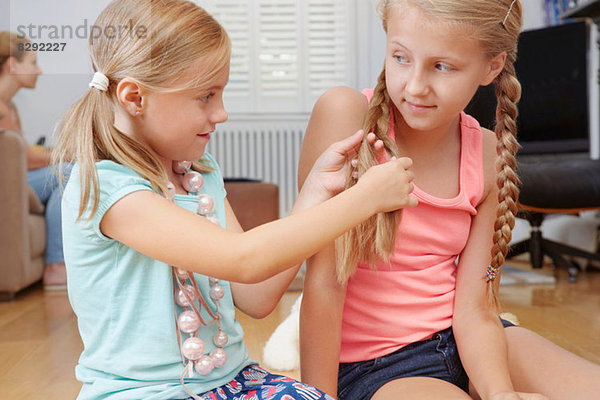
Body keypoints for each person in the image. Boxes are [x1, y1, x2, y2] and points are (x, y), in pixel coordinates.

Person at [52, 1, 416, 399]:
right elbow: (243, 259)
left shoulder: (198, 172)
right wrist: (362, 201)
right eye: (206, 96)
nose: (222, 113)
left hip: (234, 382)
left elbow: (255, 295)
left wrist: (315, 193)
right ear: (135, 98)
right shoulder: (107, 188)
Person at [298, 1, 600, 399]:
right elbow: (324, 283)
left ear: (492, 67)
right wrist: (317, 396)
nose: (415, 85)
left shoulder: (488, 153)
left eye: (442, 66)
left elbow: (474, 311)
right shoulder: (344, 114)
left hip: (466, 341)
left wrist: (500, 393)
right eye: (401, 57)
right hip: (375, 368)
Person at [0, 31, 69, 289]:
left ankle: (59, 263)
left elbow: (25, 151)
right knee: (68, 171)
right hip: (10, 184)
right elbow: (26, 159)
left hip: (20, 181)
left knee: (66, 173)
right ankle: (56, 264)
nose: (38, 70)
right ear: (12, 64)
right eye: (32, 62)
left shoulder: (10, 107)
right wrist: (68, 153)